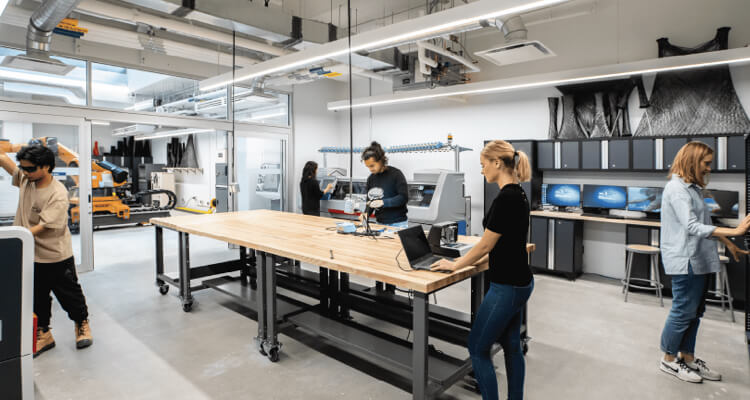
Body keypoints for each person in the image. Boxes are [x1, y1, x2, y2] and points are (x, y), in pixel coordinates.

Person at [431, 140, 533, 400]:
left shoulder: (506, 197)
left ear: (497, 163)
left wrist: (455, 264)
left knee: (477, 348)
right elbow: (506, 243)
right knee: (512, 346)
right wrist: (477, 260)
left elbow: (486, 244)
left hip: (507, 286)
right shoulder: (519, 193)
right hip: (520, 280)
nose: (481, 170)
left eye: (483, 164)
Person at [658, 141, 750, 383]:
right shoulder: (676, 189)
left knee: (695, 312)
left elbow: (704, 222)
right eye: (706, 163)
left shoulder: (693, 189)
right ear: (692, 161)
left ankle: (687, 357)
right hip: (686, 260)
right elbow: (691, 226)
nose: (709, 168)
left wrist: (729, 243)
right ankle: (668, 359)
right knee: (683, 311)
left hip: (699, 258)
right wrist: (735, 231)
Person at [0, 144, 93, 357]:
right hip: (30, 254)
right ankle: (44, 333)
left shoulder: (57, 194)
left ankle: (81, 323)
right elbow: (4, 160)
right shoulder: (27, 178)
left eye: (30, 168)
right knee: (37, 296)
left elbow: (42, 227)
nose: (24, 172)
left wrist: (13, 237)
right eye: (22, 168)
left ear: (46, 167)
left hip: (54, 255)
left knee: (69, 294)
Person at [360, 141, 409, 229]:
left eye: (372, 166)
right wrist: (366, 214)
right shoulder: (371, 179)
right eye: (368, 167)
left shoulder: (396, 174)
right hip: (379, 223)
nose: (370, 169)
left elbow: (403, 197)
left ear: (380, 161)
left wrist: (383, 202)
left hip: (398, 224)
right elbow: (370, 201)